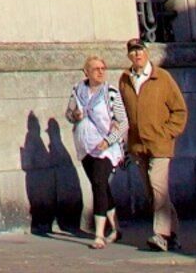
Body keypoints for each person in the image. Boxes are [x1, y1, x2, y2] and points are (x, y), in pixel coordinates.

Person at [118, 38, 189, 252]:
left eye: (140, 51)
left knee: (158, 187)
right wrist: (124, 143)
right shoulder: (125, 79)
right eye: (133, 52)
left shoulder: (162, 78)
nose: (137, 55)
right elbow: (122, 113)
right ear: (129, 56)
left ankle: (160, 234)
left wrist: (167, 133)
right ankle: (173, 232)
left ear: (146, 53)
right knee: (153, 193)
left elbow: (179, 110)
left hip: (160, 144)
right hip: (138, 145)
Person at [67, 53, 127, 249]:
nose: (100, 72)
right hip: (85, 146)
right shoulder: (77, 90)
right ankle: (116, 228)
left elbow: (123, 121)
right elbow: (69, 114)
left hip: (105, 148)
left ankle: (99, 234)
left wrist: (108, 141)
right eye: (96, 69)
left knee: (99, 184)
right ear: (86, 72)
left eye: (103, 68)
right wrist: (74, 115)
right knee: (99, 185)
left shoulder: (110, 92)